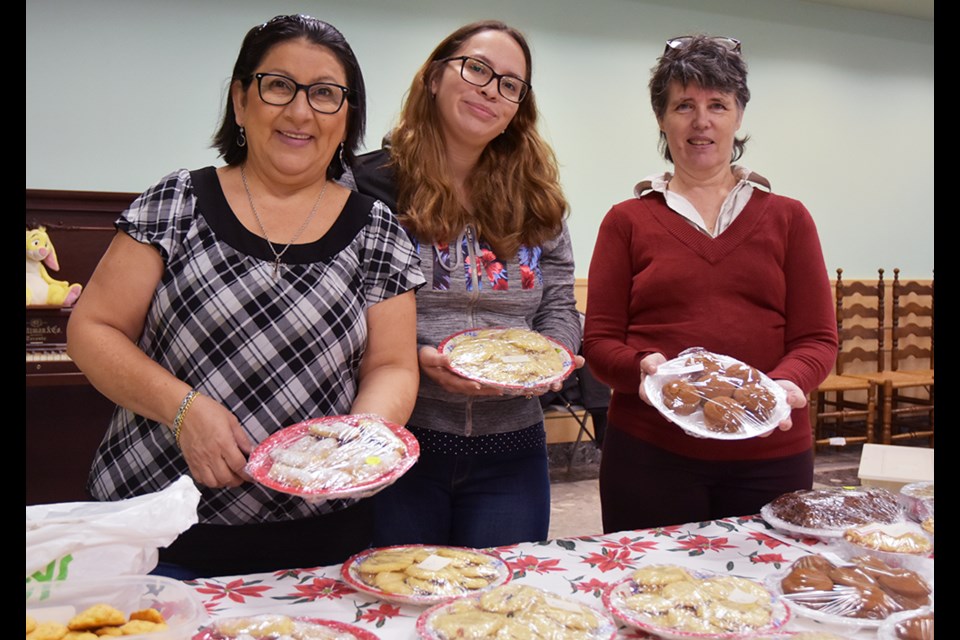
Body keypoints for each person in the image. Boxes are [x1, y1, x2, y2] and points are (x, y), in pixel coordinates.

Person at [66, 14, 424, 577]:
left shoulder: (375, 228)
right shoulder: (177, 202)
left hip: (323, 535)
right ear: (240, 100)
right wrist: (183, 410)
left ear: (347, 115)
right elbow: (93, 329)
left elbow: (394, 364)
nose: (300, 112)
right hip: (155, 526)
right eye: (278, 85)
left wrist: (352, 445)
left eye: (325, 94)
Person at [582, 35, 838, 533]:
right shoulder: (626, 221)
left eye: (717, 104)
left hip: (771, 456)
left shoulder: (789, 218)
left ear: (738, 115)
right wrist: (641, 368)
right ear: (661, 118)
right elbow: (599, 341)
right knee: (654, 595)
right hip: (649, 455)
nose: (702, 121)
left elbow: (817, 338)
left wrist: (786, 385)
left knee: (764, 594)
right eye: (684, 105)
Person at [350, 20, 581, 548]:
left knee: (497, 608)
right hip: (399, 441)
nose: (490, 90)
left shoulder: (537, 197)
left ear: (518, 108)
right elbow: (337, 314)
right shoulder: (366, 187)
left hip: (513, 451)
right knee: (402, 602)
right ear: (434, 77)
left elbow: (560, 302)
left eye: (509, 84)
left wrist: (555, 355)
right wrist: (413, 355)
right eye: (477, 68)